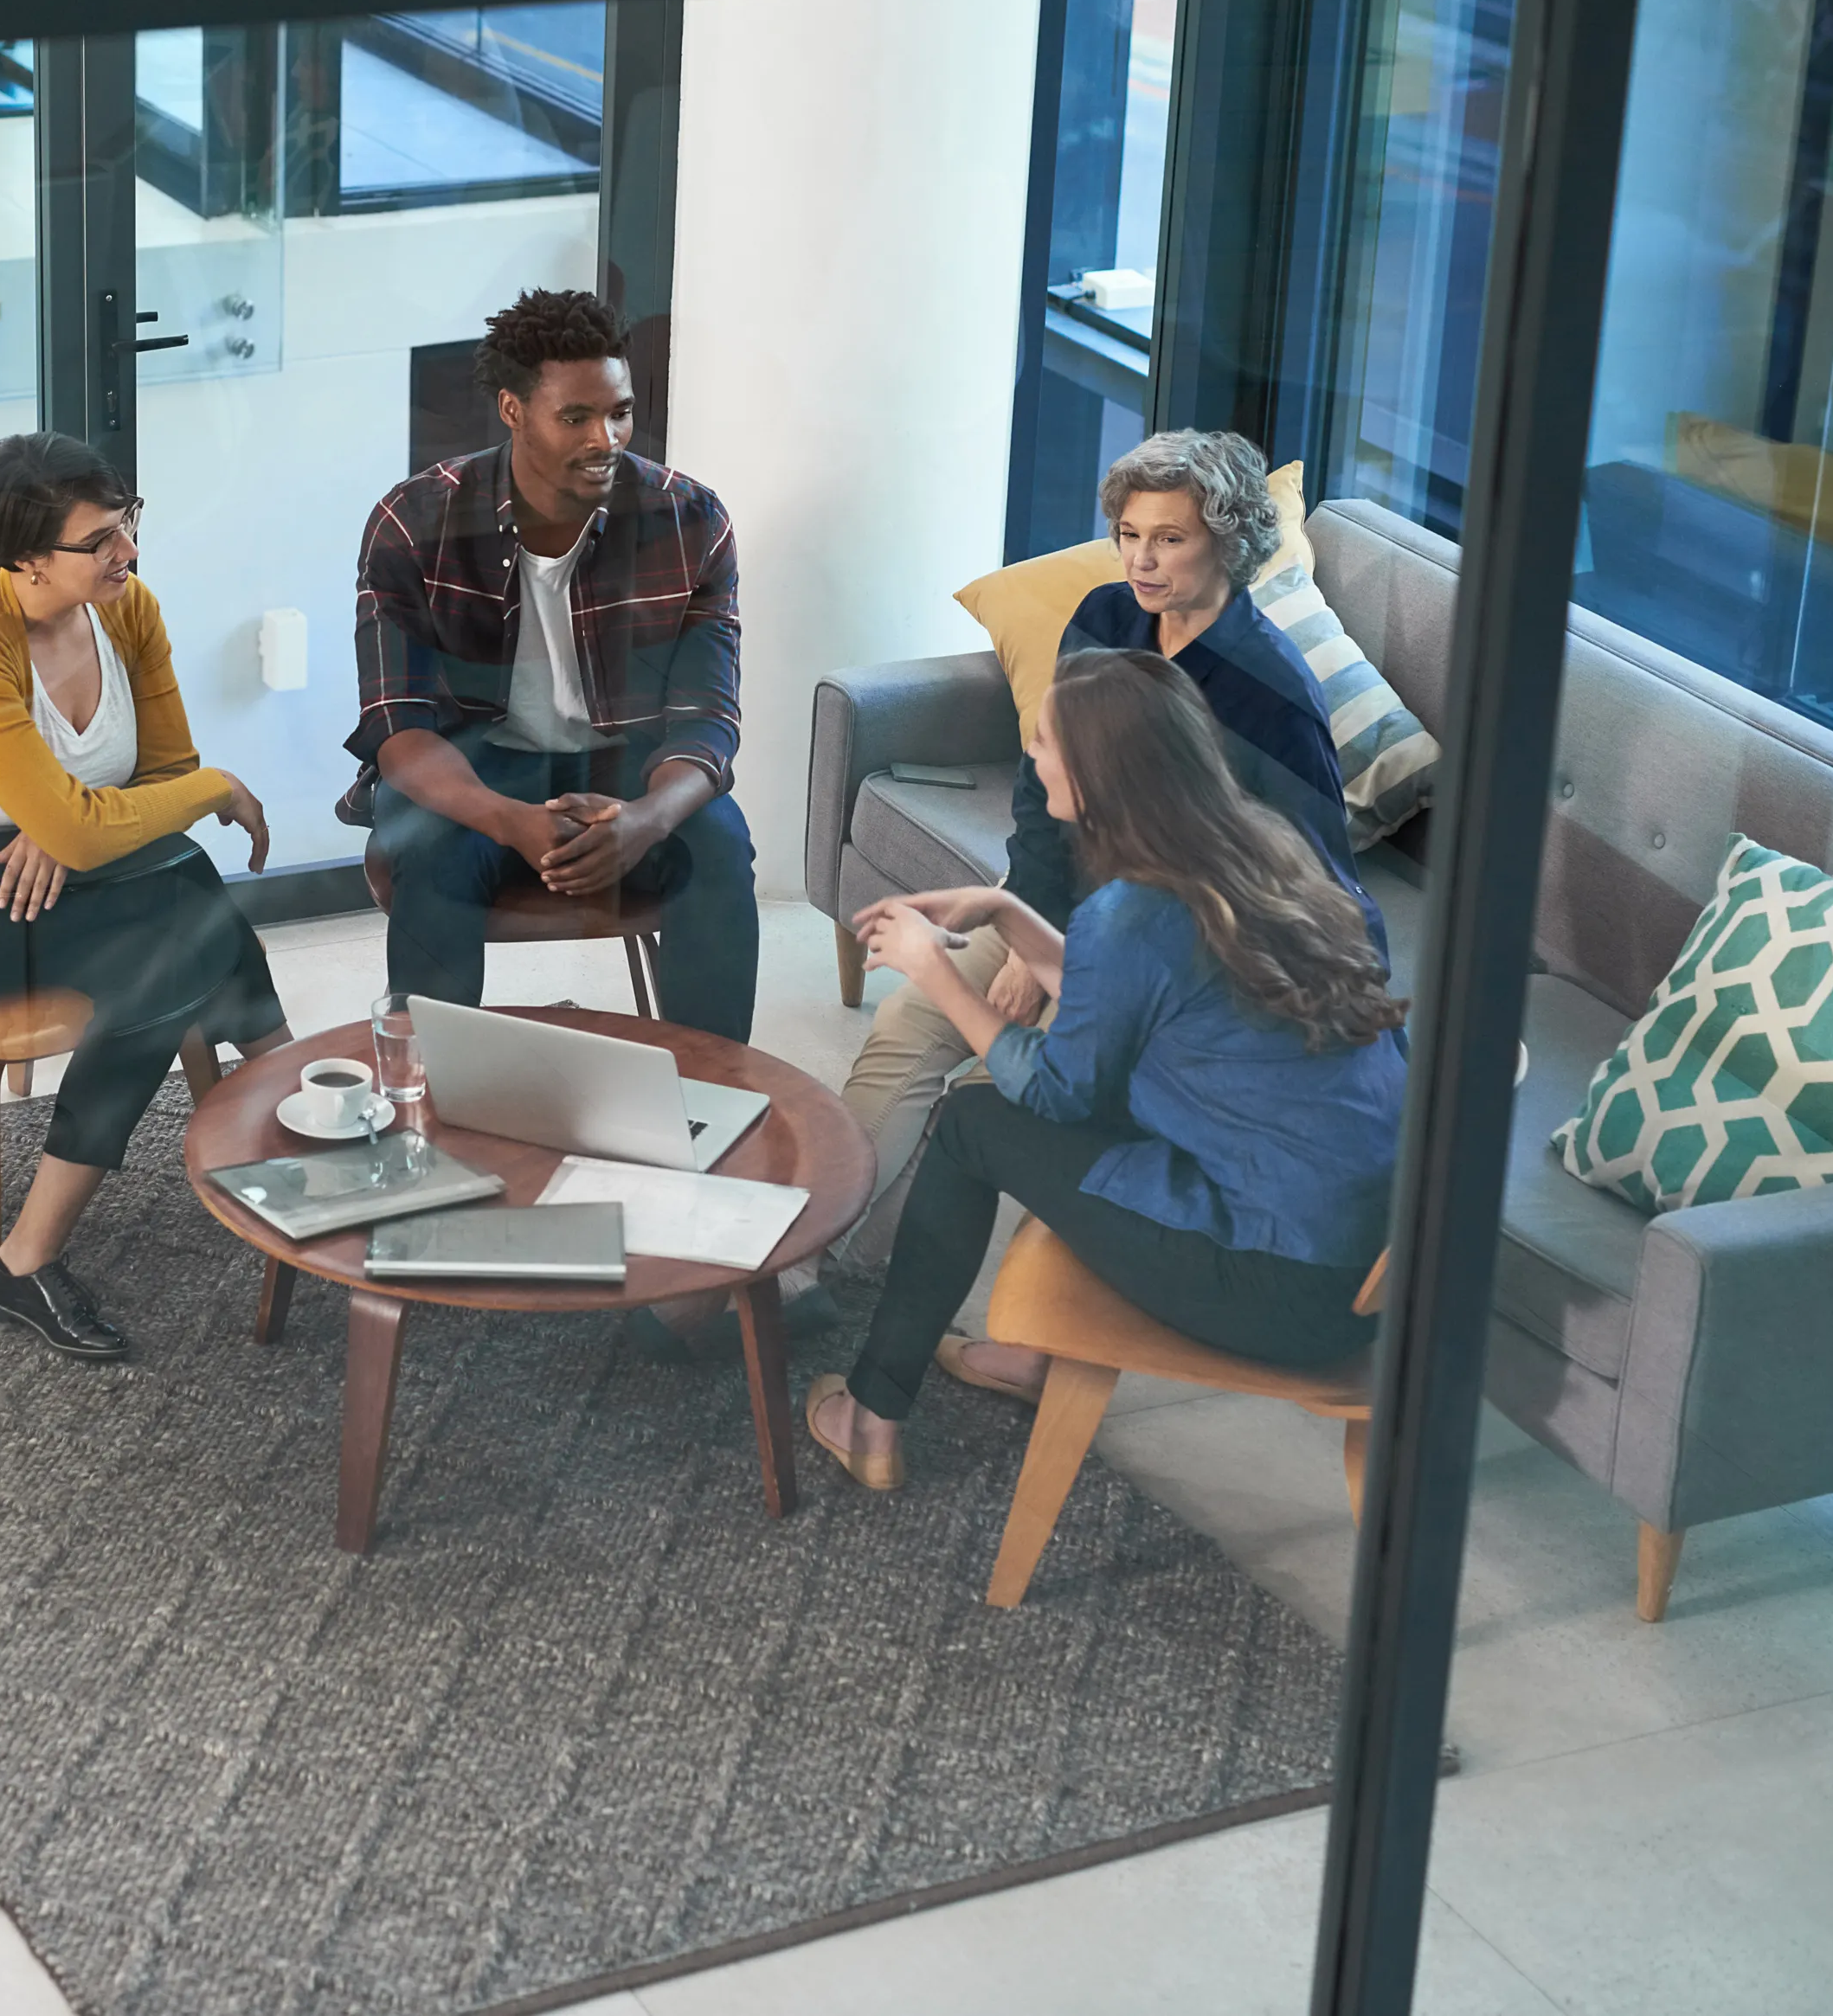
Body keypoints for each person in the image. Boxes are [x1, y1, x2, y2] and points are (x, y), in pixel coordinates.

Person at [805, 645, 1406, 1490]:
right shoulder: (1260, 851)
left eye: (1044, 741)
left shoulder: (1132, 911)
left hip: (1280, 1285)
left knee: (971, 1123)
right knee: (1031, 1112)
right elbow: (1128, 1009)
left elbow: (1056, 1092)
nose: (1032, 754)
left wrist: (933, 969)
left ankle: (872, 1416)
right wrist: (1006, 913)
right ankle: (1027, 1359)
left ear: (1093, 776)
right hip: (1373, 1262)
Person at [826, 427, 1380, 1285]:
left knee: (1008, 1087)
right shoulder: (1108, 617)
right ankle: (815, 1258)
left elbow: (1313, 883)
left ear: (1227, 540)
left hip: (1168, 961)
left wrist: (1072, 969)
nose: (1141, 561)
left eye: (1169, 538)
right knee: (909, 1027)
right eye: (1129, 534)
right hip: (1059, 904)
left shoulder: (1273, 700)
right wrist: (1028, 929)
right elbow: (1041, 789)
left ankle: (914, 1280)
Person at [0, 432, 291, 1364]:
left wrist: (69, 821)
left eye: (128, 525)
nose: (127, 552)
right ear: (25, 558)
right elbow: (179, 794)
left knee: (169, 909)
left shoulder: (127, 610)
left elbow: (159, 772)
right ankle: (293, 1103)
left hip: (50, 870)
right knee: (165, 933)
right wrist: (185, 798)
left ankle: (37, 1247)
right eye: (100, 540)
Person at [342, 287, 757, 1043]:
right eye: (576, 417)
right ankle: (435, 1088)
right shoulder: (415, 522)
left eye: (621, 411)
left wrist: (645, 820)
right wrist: (510, 822)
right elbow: (395, 727)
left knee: (718, 844)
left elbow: (708, 716)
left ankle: (712, 1087)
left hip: (629, 768)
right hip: (473, 770)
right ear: (511, 410)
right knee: (427, 848)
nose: (607, 437)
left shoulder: (690, 520)